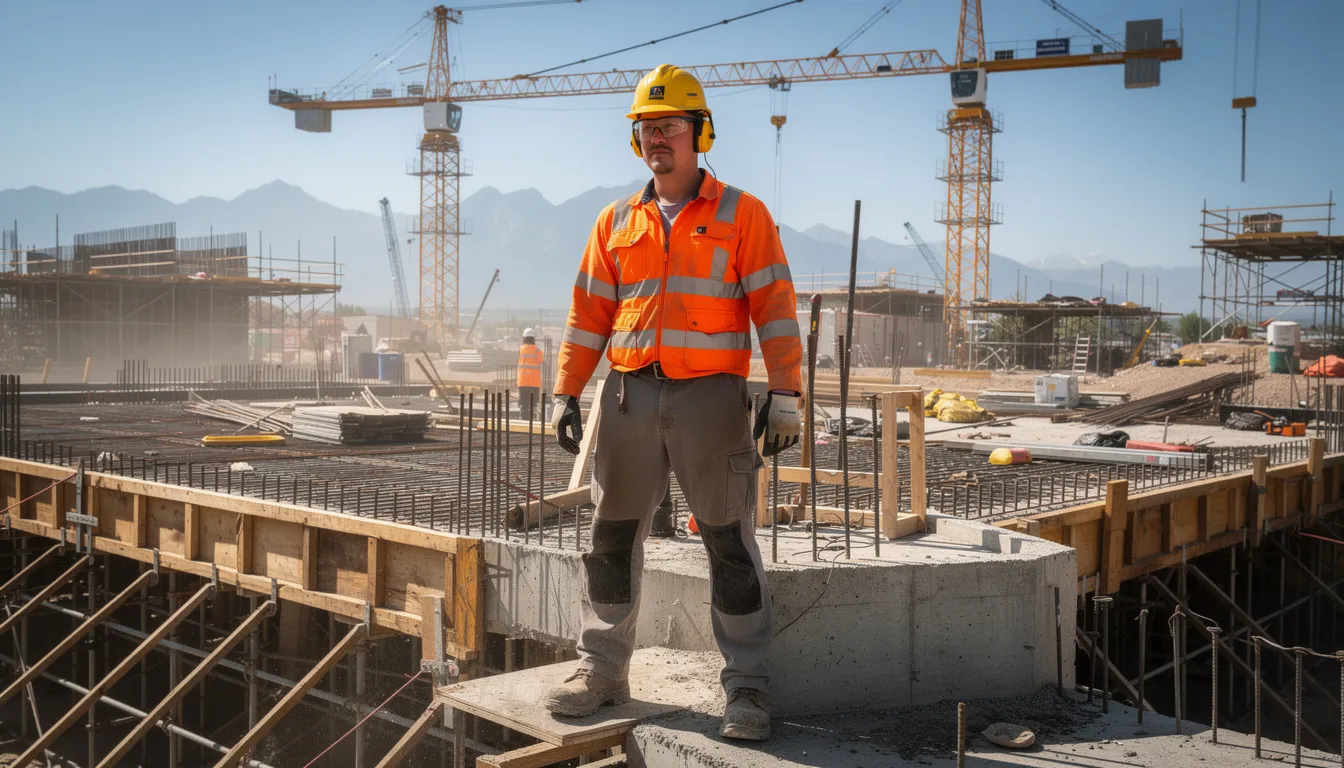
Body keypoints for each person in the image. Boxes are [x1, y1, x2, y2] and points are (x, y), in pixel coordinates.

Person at [544, 64, 802, 741]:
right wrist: (567, 389)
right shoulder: (616, 221)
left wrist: (785, 394)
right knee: (612, 536)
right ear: (638, 141)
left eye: (671, 125)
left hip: (711, 400)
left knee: (727, 541)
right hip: (629, 397)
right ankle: (601, 670)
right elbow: (587, 315)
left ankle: (746, 686)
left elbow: (774, 308)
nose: (658, 136)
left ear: (699, 132)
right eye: (647, 127)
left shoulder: (741, 215)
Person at [516, 328, 542, 419]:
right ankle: (532, 426)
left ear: (524, 338)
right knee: (533, 406)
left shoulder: (520, 350)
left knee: (524, 405)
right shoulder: (538, 351)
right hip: (534, 383)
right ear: (533, 339)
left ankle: (523, 426)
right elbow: (541, 361)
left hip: (523, 382)